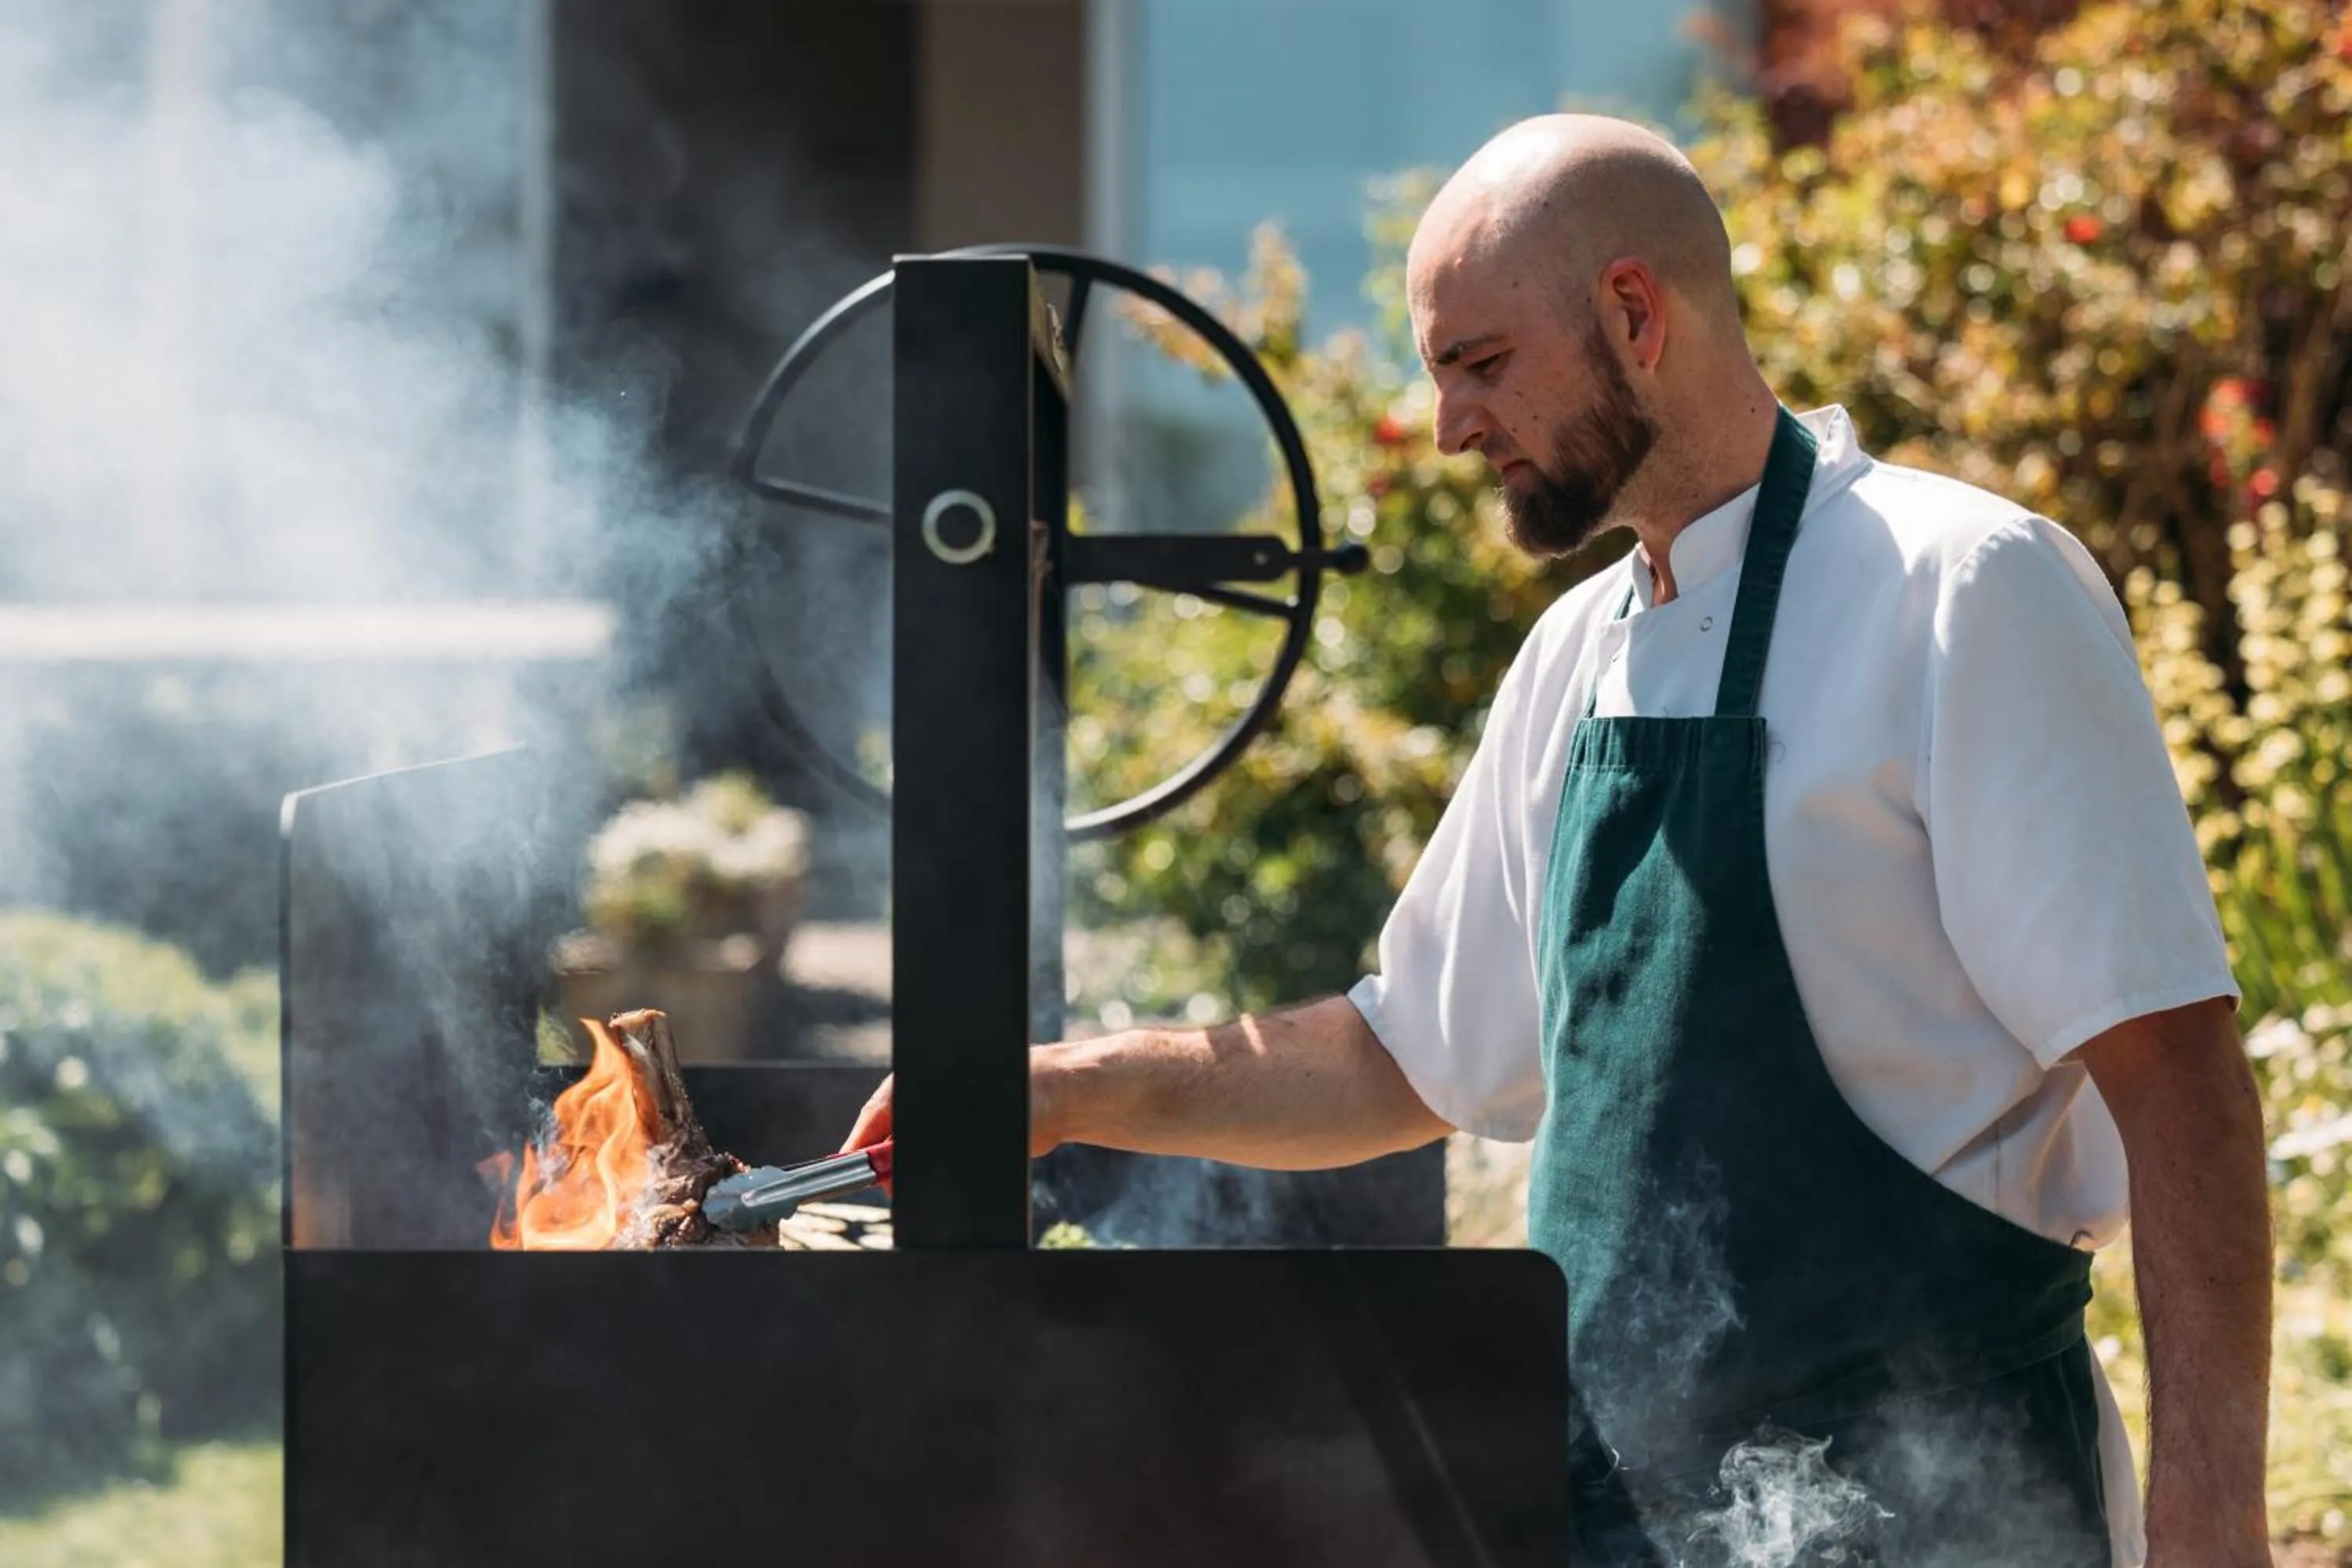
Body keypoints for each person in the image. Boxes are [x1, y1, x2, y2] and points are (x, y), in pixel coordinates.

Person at [842, 114, 2271, 1567]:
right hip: (1625, 1519)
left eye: (1480, 364)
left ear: (1636, 315)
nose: (1453, 425)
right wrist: (1056, 1090)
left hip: (1947, 1509)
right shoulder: (1579, 656)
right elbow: (1405, 1058)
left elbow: (2181, 1080)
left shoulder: (1963, 589)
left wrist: (2215, 1519)